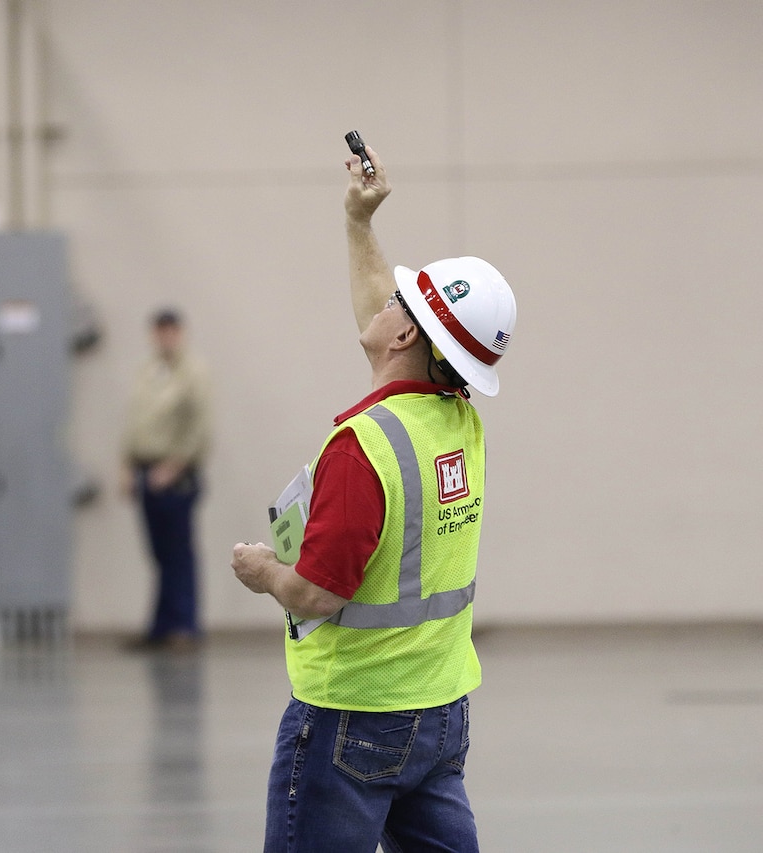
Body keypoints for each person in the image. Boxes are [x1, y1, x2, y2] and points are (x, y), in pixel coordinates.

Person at [231, 144, 517, 851]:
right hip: (438, 714)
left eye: (400, 299)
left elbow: (318, 594)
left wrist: (262, 568)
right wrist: (359, 222)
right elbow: (384, 320)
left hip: (352, 720)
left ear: (407, 332)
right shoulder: (457, 421)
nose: (385, 299)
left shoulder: (364, 447)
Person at [121, 308, 213, 652]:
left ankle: (184, 626)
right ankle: (161, 626)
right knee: (158, 554)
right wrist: (127, 465)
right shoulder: (148, 371)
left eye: (170, 332)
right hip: (146, 471)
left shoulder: (193, 373)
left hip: (176, 476)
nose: (164, 338)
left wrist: (175, 465)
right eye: (159, 332)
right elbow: (135, 421)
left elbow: (200, 426)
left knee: (178, 553)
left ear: (180, 333)